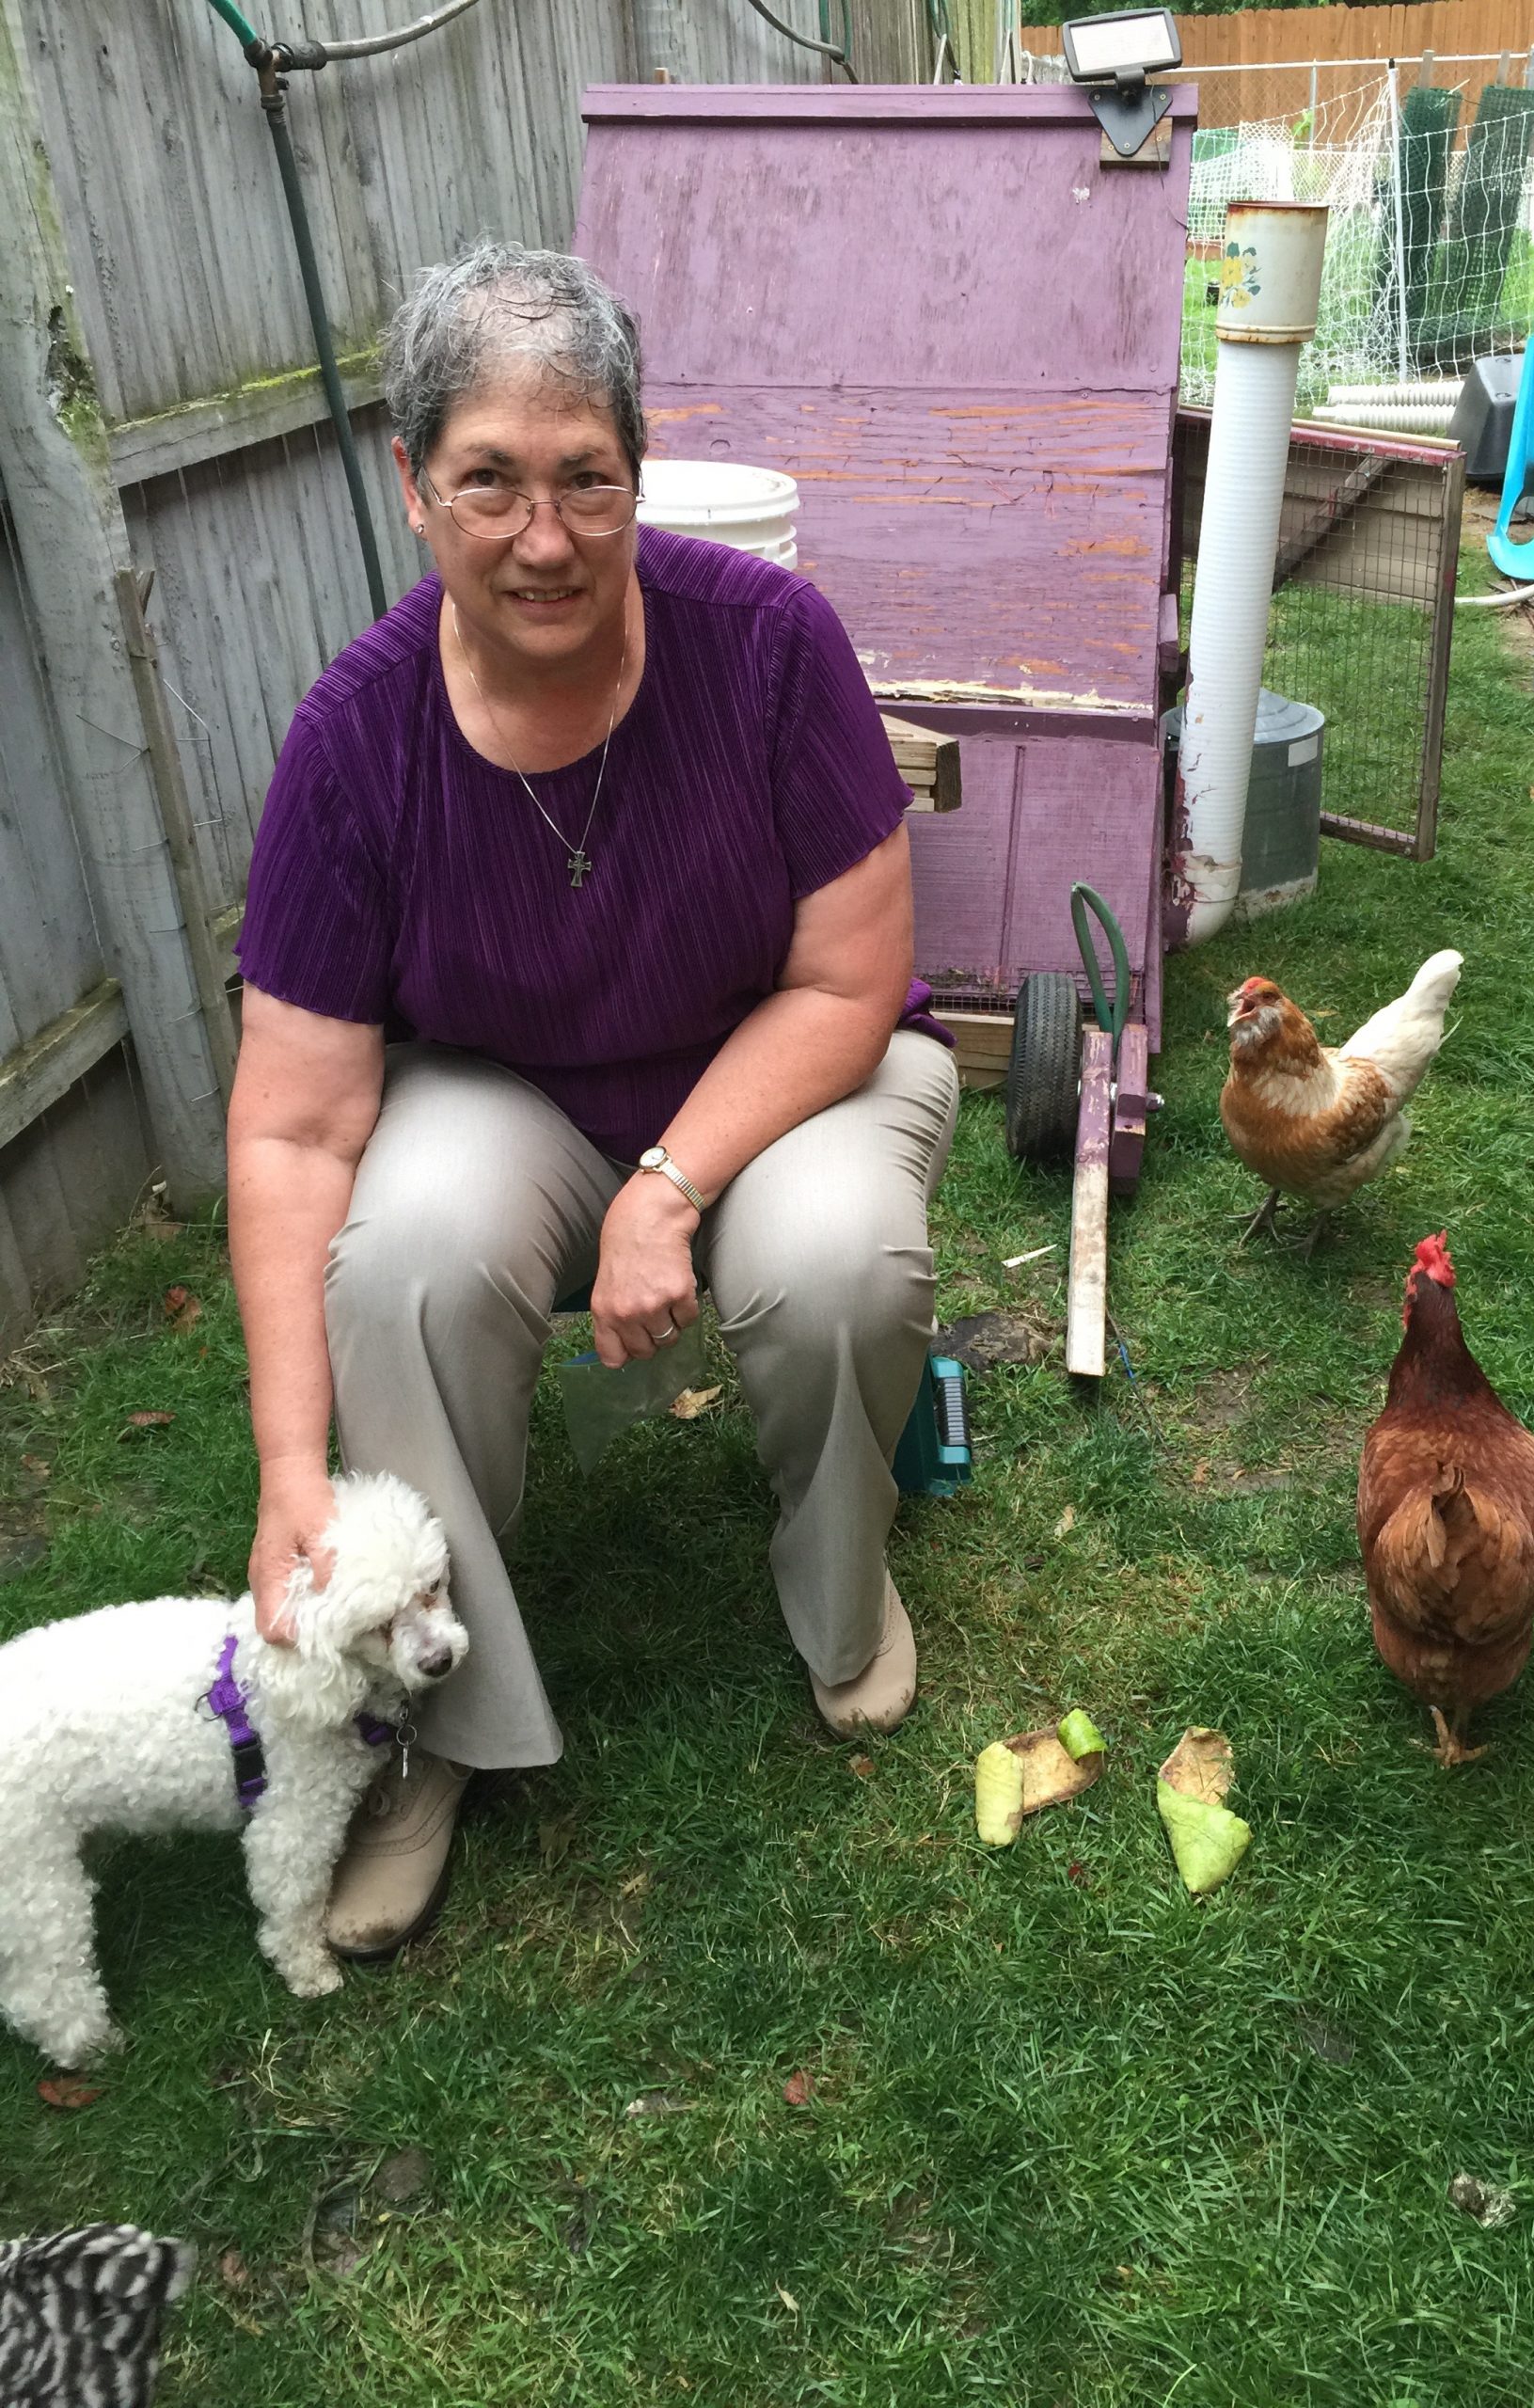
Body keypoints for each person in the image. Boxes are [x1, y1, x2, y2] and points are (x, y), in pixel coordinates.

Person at [228, 244, 959, 1960]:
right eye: (488, 479)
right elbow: (292, 1126)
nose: (543, 537)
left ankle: (843, 1597)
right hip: (508, 1093)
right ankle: (435, 1723)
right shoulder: (351, 745)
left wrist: (669, 1180)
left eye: (586, 480)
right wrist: (285, 1470)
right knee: (401, 1251)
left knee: (845, 1255)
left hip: (780, 1071)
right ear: (412, 485)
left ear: (641, 470)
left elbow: (852, 982)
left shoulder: (772, 650)